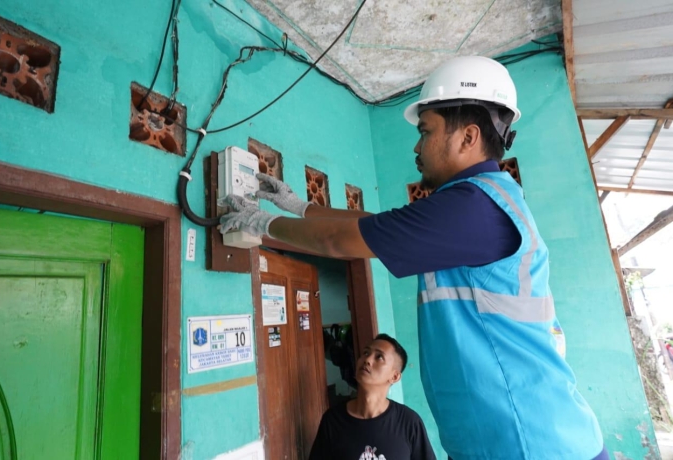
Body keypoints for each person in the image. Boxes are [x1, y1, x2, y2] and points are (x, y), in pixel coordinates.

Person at [220, 56, 608, 459]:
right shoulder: (479, 202)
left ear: (467, 137)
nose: (417, 146)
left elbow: (343, 241)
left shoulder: (476, 207)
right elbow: (379, 226)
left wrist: (262, 223)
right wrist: (300, 207)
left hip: (531, 445)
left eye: (426, 131)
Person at [308, 333, 436, 460]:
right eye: (365, 353)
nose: (367, 360)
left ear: (394, 376)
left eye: (379, 357)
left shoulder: (409, 422)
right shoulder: (333, 420)